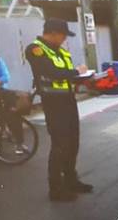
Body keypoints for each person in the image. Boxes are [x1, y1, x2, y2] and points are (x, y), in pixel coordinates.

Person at [25, 18, 93, 201]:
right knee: (60, 145)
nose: (64, 39)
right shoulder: (35, 49)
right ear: (53, 33)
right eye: (63, 35)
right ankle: (55, 189)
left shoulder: (61, 51)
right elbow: (51, 72)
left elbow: (65, 76)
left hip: (68, 100)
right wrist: (77, 72)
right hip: (53, 103)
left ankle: (71, 180)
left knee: (73, 142)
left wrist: (82, 77)